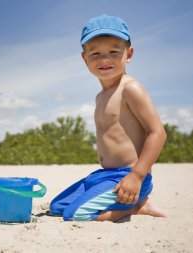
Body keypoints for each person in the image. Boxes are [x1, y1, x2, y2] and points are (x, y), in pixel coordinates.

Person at [49, 15, 167, 222]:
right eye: (95, 53)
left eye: (114, 52)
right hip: (104, 175)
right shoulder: (100, 96)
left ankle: (137, 207)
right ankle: (127, 201)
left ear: (128, 54)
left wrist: (137, 176)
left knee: (76, 214)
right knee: (57, 206)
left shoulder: (130, 88)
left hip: (127, 177)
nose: (105, 60)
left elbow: (157, 132)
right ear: (85, 59)